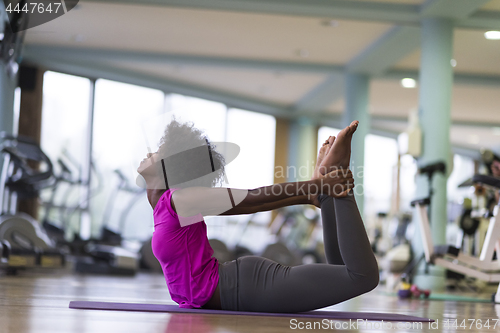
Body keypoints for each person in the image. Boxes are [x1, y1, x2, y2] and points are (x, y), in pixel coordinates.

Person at [137, 119, 379, 313]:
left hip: (246, 288)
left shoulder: (180, 200)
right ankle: (329, 191)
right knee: (339, 271)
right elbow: (246, 205)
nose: (149, 153)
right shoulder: (164, 206)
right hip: (239, 288)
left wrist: (316, 184)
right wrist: (311, 192)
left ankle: (338, 182)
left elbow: (252, 198)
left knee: (363, 277)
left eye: (157, 152)